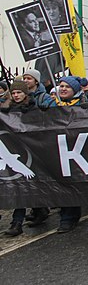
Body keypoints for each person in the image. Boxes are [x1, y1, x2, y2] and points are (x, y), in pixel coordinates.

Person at [2, 80, 53, 236]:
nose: (16, 95)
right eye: (14, 93)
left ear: (26, 93)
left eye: (19, 93)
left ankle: (40, 209)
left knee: (31, 183)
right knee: (20, 186)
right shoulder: (6, 109)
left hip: (32, 151)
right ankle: (17, 223)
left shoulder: (33, 107)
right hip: (14, 148)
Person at [53, 76, 88, 232]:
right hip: (57, 149)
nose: (63, 89)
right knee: (62, 183)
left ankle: (70, 216)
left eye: (67, 86)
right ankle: (66, 215)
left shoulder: (84, 105)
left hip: (78, 149)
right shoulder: (52, 105)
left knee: (73, 183)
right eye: (61, 86)